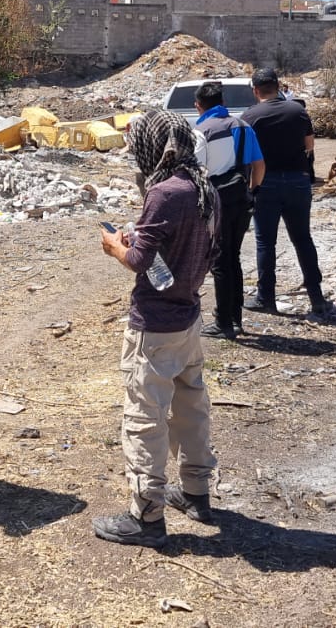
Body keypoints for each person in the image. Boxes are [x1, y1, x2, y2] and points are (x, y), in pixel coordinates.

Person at [93, 108, 219, 549]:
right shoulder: (204, 188)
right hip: (188, 315)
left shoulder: (164, 192)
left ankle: (146, 515)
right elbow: (204, 252)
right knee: (191, 404)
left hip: (155, 324)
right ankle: (196, 492)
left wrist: (115, 247)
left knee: (145, 415)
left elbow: (138, 262)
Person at [240, 68, 331, 316]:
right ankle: (317, 298)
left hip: (265, 183)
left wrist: (251, 188)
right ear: (278, 86)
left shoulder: (250, 116)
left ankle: (266, 298)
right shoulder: (298, 111)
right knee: (302, 239)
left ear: (255, 90)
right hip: (298, 182)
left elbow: (246, 157)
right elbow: (309, 146)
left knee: (265, 242)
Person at [193, 80, 265, 340]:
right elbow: (259, 165)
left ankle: (224, 323)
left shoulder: (202, 130)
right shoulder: (243, 126)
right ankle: (235, 319)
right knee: (233, 258)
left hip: (217, 202)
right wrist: (253, 192)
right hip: (242, 199)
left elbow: (198, 172)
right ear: (222, 102)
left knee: (220, 262)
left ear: (198, 106)